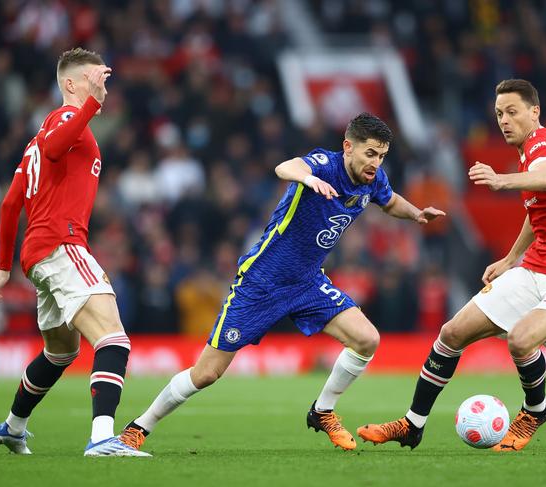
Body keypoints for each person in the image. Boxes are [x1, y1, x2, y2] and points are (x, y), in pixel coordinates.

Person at [117, 112, 445, 452]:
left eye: (381, 156)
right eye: (370, 154)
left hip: (307, 283)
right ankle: (137, 428)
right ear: (348, 147)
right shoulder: (324, 164)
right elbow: (285, 167)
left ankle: (322, 411)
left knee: (366, 339)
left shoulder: (373, 180)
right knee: (206, 373)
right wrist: (308, 180)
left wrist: (417, 214)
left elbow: (389, 201)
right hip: (262, 281)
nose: (376, 163)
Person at [356, 79, 546, 452]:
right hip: (539, 267)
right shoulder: (528, 153)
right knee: (451, 333)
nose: (504, 120)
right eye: (499, 114)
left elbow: (544, 178)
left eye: (513, 112)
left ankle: (535, 410)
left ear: (535, 112)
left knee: (521, 340)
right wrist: (512, 259)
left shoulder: (543, 144)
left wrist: (500, 180)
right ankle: (412, 424)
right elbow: (539, 209)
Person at [0, 48, 149, 457]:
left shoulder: (36, 141)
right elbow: (57, 148)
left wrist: (4, 268)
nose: (102, 84)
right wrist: (92, 103)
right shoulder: (67, 119)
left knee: (60, 352)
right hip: (61, 243)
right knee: (114, 339)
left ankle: (12, 426)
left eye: (104, 78)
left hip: (39, 254)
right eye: (95, 78)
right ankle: (101, 439)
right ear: (71, 84)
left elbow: (9, 205)